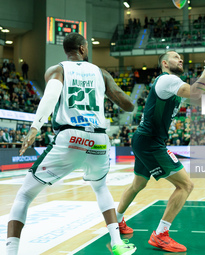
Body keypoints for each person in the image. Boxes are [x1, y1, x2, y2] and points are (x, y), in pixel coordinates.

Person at [6, 33, 137, 255]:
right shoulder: (101, 73)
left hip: (71, 138)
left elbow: (50, 97)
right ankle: (117, 243)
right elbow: (128, 106)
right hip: (98, 140)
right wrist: (105, 89)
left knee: (25, 195)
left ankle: (10, 252)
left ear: (66, 51)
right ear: (83, 49)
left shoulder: (57, 70)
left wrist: (35, 127)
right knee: (101, 187)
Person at [116, 48, 205, 252]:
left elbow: (199, 97)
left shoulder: (171, 84)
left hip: (144, 140)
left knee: (138, 184)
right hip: (151, 142)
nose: (180, 58)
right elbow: (196, 92)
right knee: (185, 186)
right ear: (165, 63)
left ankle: (117, 221)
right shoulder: (167, 80)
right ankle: (160, 234)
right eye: (175, 57)